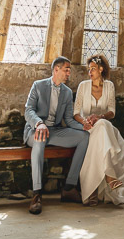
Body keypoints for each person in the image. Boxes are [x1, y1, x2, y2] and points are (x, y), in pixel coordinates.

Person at [24, 55, 89, 214]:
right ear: (56, 69)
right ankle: (37, 194)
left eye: (69, 71)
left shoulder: (67, 92)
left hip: (55, 131)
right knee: (40, 139)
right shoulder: (38, 86)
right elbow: (29, 110)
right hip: (35, 130)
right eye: (66, 70)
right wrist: (39, 124)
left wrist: (85, 126)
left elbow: (68, 119)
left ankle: (69, 187)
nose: (69, 73)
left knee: (84, 137)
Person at [74, 53, 124, 206]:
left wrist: (99, 117)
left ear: (100, 69)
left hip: (103, 126)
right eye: (88, 69)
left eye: (92, 69)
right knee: (100, 130)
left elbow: (112, 112)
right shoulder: (83, 86)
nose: (89, 72)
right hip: (87, 128)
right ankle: (109, 176)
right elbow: (76, 113)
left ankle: (92, 191)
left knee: (102, 125)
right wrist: (85, 121)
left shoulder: (109, 86)